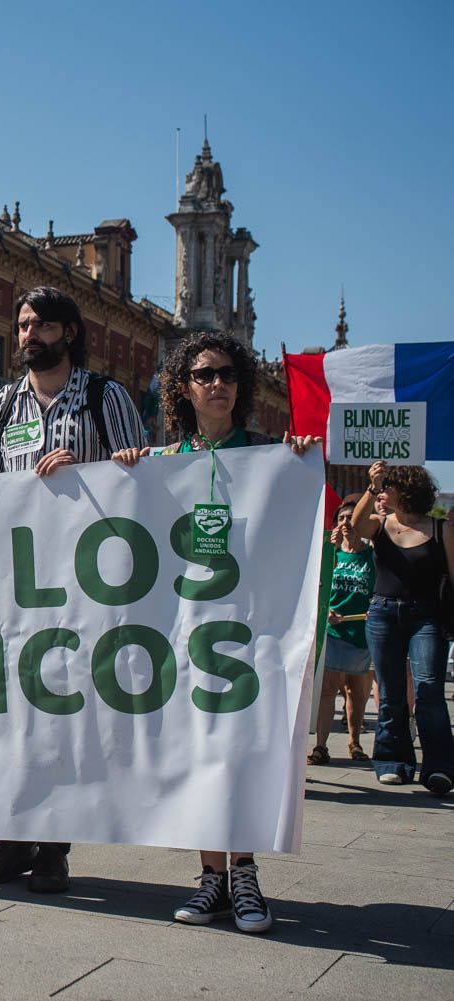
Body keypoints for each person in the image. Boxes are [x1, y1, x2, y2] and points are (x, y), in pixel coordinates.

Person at [115, 331, 319, 934]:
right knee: (202, 754)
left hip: (250, 636)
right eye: (204, 375)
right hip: (184, 637)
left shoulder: (269, 456)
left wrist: (300, 457)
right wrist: (112, 471)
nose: (218, 383)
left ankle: (246, 872)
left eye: (227, 374)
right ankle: (212, 881)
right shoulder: (160, 463)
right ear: (183, 387)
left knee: (245, 752)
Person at [0, 286, 146, 894]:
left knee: (63, 710)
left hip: (81, 585)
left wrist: (86, 472)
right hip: (14, 583)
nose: (28, 334)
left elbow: (138, 474)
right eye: (21, 325)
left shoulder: (103, 397)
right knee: (14, 711)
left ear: (68, 332)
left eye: (40, 325)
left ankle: (55, 849)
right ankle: (11, 841)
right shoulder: (1, 404)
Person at [349, 460, 453, 795]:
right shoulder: (380, 523)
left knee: (429, 691)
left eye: (389, 486)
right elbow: (356, 524)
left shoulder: (439, 527)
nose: (384, 491)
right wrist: (371, 486)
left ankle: (439, 766)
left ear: (407, 490)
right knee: (391, 693)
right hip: (382, 614)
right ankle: (392, 762)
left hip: (427, 617)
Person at [309, 496, 375, 765]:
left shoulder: (371, 554)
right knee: (327, 689)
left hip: (362, 632)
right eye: (341, 518)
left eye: (351, 517)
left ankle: (354, 742)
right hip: (333, 631)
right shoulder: (329, 552)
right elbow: (315, 586)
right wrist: (326, 610)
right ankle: (321, 746)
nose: (346, 523)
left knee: (355, 692)